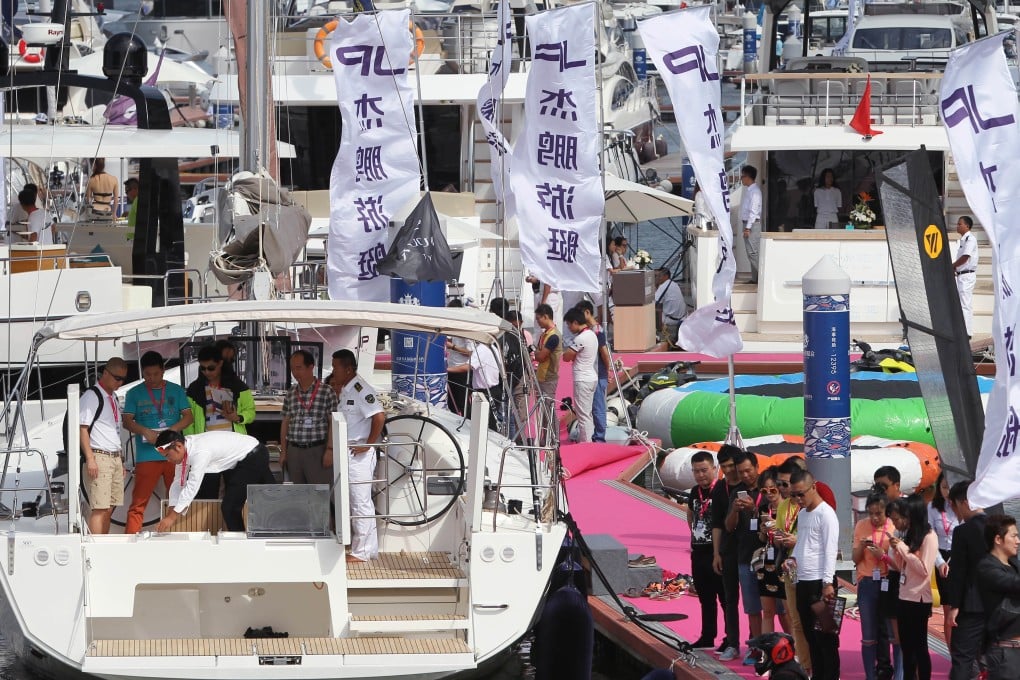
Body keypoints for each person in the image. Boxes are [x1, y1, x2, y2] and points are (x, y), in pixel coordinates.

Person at [122, 351, 193, 534]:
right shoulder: (134, 393)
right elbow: (127, 421)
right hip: (147, 455)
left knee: (180, 500)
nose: (152, 378)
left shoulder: (176, 390)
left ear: (163, 370)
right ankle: (130, 544)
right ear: (142, 373)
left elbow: (188, 417)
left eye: (156, 374)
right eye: (147, 375)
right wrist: (145, 430)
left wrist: (171, 431)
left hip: (175, 455)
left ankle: (180, 538)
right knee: (138, 503)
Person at [154, 429, 275, 532]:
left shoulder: (199, 452)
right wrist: (170, 513)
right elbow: (177, 483)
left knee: (230, 507)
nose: (168, 460)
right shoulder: (184, 450)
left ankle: (241, 547)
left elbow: (192, 486)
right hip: (246, 455)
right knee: (275, 497)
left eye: (167, 456)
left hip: (253, 455)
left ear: (178, 447)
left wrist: (172, 517)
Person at [330, 349, 386, 562]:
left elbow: (379, 417)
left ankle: (361, 552)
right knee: (359, 502)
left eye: (335, 367)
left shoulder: (361, 389)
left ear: (348, 369)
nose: (333, 371)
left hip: (358, 453)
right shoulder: (346, 389)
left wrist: (369, 443)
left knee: (359, 502)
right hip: (348, 451)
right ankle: (368, 549)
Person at [185, 343, 256, 499]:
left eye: (211, 368)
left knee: (235, 493)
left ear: (220, 364)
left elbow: (251, 412)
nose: (207, 372)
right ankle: (207, 523)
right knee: (206, 494)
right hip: (206, 448)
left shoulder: (238, 386)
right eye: (202, 368)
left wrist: (237, 417)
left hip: (233, 447)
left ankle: (233, 523)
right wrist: (191, 446)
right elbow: (188, 421)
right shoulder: (194, 389)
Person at [789, 469, 840, 680]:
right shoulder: (803, 514)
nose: (798, 499)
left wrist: (828, 583)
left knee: (826, 638)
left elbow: (830, 549)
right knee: (810, 636)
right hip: (803, 581)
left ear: (813, 487)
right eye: (794, 495)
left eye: (801, 494)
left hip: (821, 583)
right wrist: (791, 560)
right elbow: (802, 544)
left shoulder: (826, 514)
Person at [887, 495, 938, 680]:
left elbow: (924, 569)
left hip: (919, 599)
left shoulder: (929, 536)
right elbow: (902, 566)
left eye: (905, 515)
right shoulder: (909, 534)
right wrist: (896, 549)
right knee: (907, 647)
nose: (903, 520)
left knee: (920, 647)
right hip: (904, 596)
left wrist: (902, 548)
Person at [725, 451, 766, 663]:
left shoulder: (767, 489)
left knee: (777, 609)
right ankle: (757, 647)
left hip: (768, 558)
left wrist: (755, 508)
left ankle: (783, 646)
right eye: (741, 472)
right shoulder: (737, 492)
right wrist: (734, 510)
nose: (746, 475)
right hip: (744, 557)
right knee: (752, 607)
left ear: (757, 467)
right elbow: (729, 527)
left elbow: (774, 519)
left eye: (749, 470)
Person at [80, 358, 129, 535]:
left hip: (114, 456)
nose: (119, 382)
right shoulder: (92, 396)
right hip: (99, 456)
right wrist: (90, 458)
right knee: (100, 508)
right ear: (106, 373)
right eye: (117, 378)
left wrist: (121, 460)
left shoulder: (113, 397)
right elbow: (82, 429)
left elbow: (114, 432)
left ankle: (104, 542)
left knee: (110, 507)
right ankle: (96, 548)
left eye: (123, 379)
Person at [946, 480, 988, 680]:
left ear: (963, 502)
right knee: (995, 656)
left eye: (953, 505)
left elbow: (959, 571)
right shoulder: (999, 526)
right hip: (998, 604)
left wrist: (954, 606)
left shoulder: (962, 531)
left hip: (971, 604)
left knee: (962, 656)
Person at [774, 459, 811, 675]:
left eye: (785, 484)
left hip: (810, 570)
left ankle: (819, 663)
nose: (782, 489)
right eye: (780, 484)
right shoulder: (783, 506)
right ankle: (805, 665)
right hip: (790, 568)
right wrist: (780, 538)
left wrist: (796, 540)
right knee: (795, 619)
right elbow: (779, 534)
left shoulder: (814, 507)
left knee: (812, 621)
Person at [279, 350, 338, 485]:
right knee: (297, 494)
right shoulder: (291, 393)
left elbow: (333, 423)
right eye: (292, 368)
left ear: (311, 367)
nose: (295, 372)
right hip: (294, 450)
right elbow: (285, 422)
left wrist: (330, 450)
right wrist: (283, 451)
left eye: (299, 368)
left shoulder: (326, 391)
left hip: (317, 450)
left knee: (319, 493)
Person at [853, 494, 895, 680]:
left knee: (891, 631)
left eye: (879, 513)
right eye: (871, 513)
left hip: (888, 581)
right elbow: (855, 559)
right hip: (868, 582)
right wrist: (862, 547)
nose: (875, 518)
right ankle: (870, 675)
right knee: (868, 633)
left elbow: (900, 560)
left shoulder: (894, 525)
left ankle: (893, 671)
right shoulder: (861, 526)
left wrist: (883, 554)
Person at [976, 514, 1020, 680]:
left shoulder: (1014, 564)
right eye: (1014, 536)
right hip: (1005, 653)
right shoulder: (987, 567)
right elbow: (1014, 584)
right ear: (998, 539)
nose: (1018, 541)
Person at [688, 450, 725, 649]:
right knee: (705, 597)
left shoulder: (721, 489)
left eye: (704, 470)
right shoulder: (695, 491)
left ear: (714, 468)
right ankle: (707, 636)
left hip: (717, 553)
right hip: (698, 552)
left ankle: (731, 638)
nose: (700, 475)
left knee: (725, 598)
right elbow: (690, 514)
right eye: (696, 471)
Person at [712, 444, 744, 661]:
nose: (729, 471)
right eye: (725, 467)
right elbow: (716, 524)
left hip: (751, 551)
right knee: (729, 599)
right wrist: (716, 553)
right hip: (728, 551)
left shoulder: (752, 485)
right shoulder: (719, 488)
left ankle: (756, 642)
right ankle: (732, 643)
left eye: (732, 466)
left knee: (757, 603)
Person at [927, 472, 958, 650]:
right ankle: (952, 652)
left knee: (961, 609)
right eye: (944, 487)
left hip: (959, 557)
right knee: (947, 609)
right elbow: (930, 535)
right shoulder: (932, 507)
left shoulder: (963, 506)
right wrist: (939, 562)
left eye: (950, 487)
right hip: (941, 557)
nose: (947, 491)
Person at [755, 468, 788, 635]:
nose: (769, 494)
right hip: (766, 562)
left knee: (789, 611)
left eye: (773, 489)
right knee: (767, 612)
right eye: (764, 490)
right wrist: (762, 531)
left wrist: (777, 529)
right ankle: (767, 651)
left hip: (784, 562)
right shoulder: (762, 509)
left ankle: (796, 650)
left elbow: (790, 539)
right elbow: (761, 539)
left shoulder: (790, 508)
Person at [576, 300, 610, 443]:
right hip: (593, 373)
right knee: (591, 408)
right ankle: (594, 436)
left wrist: (606, 373)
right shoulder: (590, 330)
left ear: (587, 313)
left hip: (598, 373)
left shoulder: (597, 331)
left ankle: (599, 438)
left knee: (597, 407)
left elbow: (604, 353)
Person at [562, 308, 597, 443]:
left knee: (583, 415)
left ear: (576, 322)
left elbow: (566, 357)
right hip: (590, 377)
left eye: (570, 325)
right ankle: (589, 441)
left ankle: (586, 444)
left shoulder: (581, 338)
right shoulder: (592, 334)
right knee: (587, 414)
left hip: (583, 379)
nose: (569, 328)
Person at [533, 303, 561, 446]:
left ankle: (554, 438)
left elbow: (541, 356)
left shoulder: (553, 336)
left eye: (538, 318)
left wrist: (534, 354)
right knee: (543, 410)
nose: (537, 321)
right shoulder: (545, 334)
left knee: (549, 409)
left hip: (548, 377)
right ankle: (547, 437)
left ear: (546, 316)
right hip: (542, 376)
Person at [445, 300, 474, 415]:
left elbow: (470, 352)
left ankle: (468, 428)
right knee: (452, 404)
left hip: (462, 372)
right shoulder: (454, 327)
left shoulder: (465, 329)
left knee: (463, 404)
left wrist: (453, 346)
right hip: (452, 370)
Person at [953, 215, 978, 338]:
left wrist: (953, 266)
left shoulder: (970, 239)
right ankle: (964, 330)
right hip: (962, 275)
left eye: (959, 224)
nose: (957, 226)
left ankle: (967, 333)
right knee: (962, 304)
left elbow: (965, 257)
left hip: (967, 276)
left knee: (965, 304)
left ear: (967, 226)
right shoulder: (964, 240)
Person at [740, 165, 763, 284]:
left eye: (743, 176)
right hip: (749, 225)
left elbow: (753, 212)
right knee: (752, 253)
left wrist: (748, 228)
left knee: (753, 253)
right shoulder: (750, 191)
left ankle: (763, 277)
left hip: (752, 225)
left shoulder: (755, 192)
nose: (741, 178)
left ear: (748, 177)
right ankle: (755, 279)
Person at [653, 267, 686, 352]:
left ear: (666, 276)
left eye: (658, 276)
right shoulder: (673, 284)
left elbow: (654, 303)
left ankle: (655, 338)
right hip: (681, 317)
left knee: (648, 311)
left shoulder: (663, 286)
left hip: (670, 320)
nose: (656, 278)